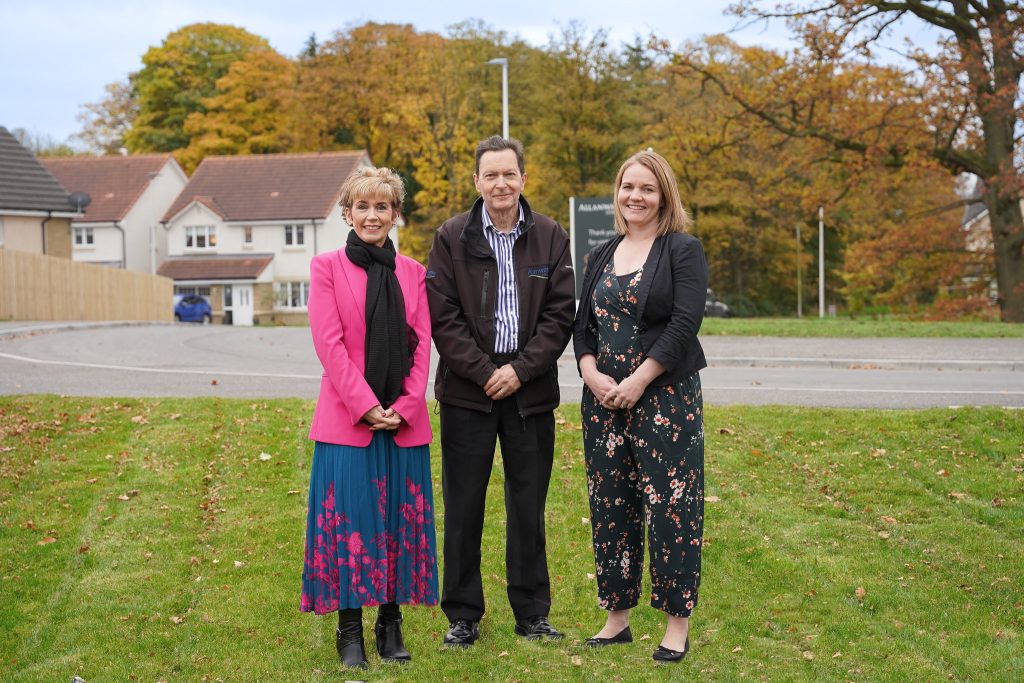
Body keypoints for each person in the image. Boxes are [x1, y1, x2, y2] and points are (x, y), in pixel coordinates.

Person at [426, 135, 576, 647]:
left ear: (523, 179)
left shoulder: (552, 237)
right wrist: (486, 371)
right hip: (469, 393)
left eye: (509, 174)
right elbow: (442, 319)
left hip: (530, 394)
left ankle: (532, 612)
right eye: (490, 175)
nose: (500, 183)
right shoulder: (451, 237)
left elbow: (560, 317)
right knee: (464, 506)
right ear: (476, 182)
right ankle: (463, 615)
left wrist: (521, 371)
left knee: (527, 506)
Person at [300, 167, 438, 669]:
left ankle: (390, 623)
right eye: (363, 206)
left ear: (395, 214)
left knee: (397, 526)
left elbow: (422, 345)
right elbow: (329, 344)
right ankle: (350, 630)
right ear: (348, 212)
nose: (373, 215)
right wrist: (365, 406)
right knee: (351, 524)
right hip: (347, 421)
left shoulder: (414, 274)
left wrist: (403, 407)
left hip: (403, 424)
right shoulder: (326, 268)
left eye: (383, 206)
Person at [573, 149, 707, 664]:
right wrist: (591, 373)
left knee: (672, 511)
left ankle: (676, 626)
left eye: (647, 188)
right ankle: (617, 619)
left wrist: (639, 380)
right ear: (618, 192)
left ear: (664, 195)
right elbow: (583, 326)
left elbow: (683, 324)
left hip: (665, 401)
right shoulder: (601, 254)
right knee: (612, 508)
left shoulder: (682, 250)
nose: (636, 196)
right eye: (629, 186)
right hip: (603, 402)